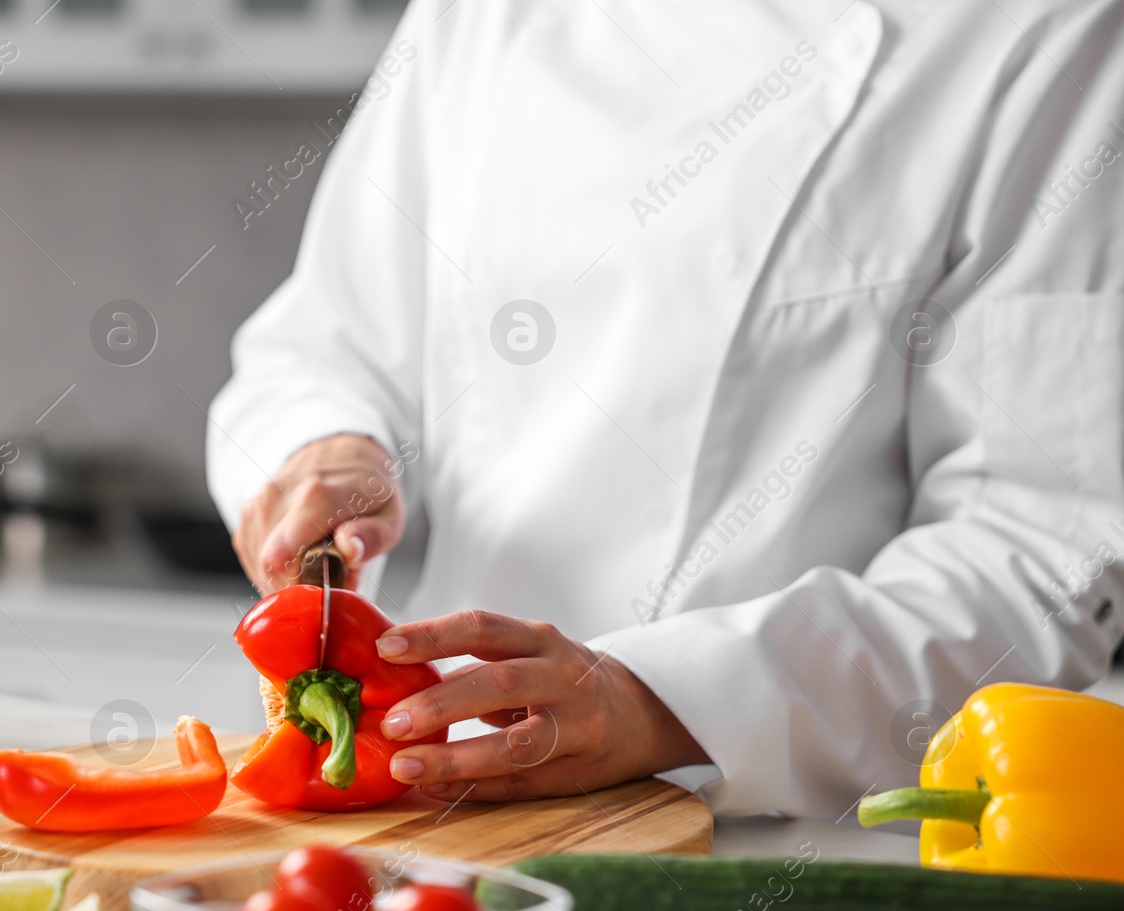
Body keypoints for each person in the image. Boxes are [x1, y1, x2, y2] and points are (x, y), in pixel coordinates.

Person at [205, 0, 1124, 819]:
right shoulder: (474, 16)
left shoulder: (1049, 33)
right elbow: (326, 344)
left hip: (758, 841)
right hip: (412, 800)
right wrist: (325, 449)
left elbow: (1040, 549)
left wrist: (658, 701)